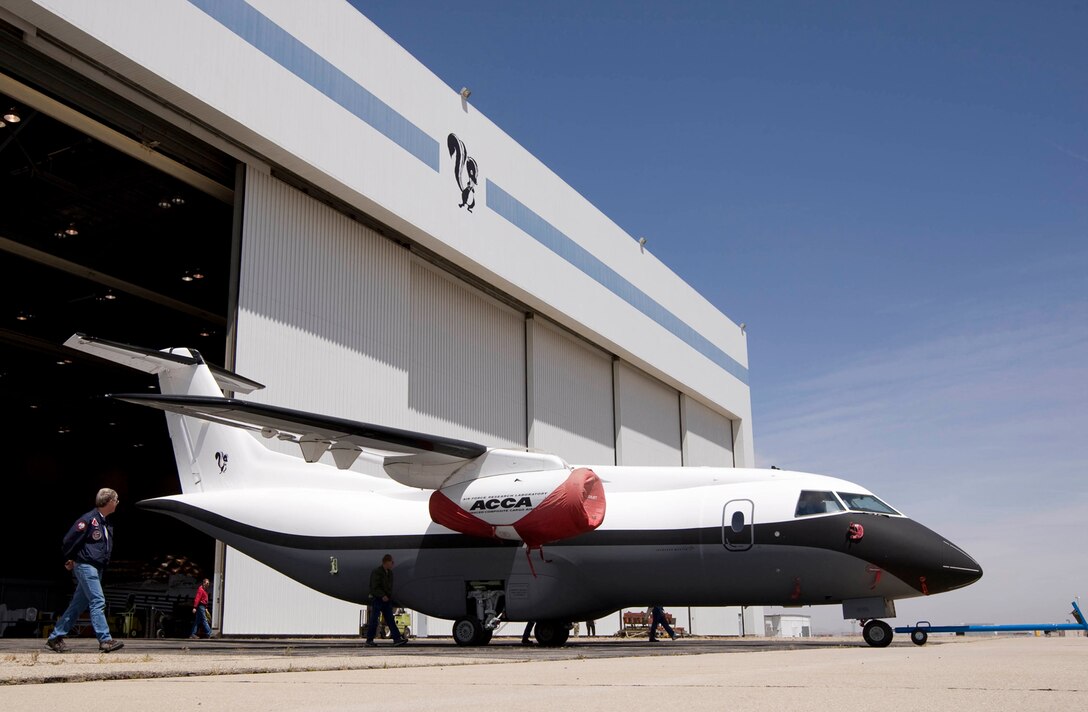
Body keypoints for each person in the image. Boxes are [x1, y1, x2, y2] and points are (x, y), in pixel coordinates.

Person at [46, 488, 124, 653]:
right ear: (109, 501)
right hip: (86, 566)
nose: (117, 503)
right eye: (116, 500)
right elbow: (69, 539)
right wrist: (71, 557)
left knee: (77, 605)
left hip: (96, 567)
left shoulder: (105, 522)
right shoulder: (88, 520)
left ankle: (55, 637)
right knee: (98, 600)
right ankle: (105, 639)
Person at [365, 554, 406, 647]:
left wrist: (388, 596)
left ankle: (397, 639)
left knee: (390, 619)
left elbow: (389, 587)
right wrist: (382, 595)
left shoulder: (390, 573)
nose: (393, 564)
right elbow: (374, 587)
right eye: (392, 562)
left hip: (386, 600)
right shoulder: (377, 572)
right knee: (374, 619)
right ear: (386, 562)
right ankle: (369, 640)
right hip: (378, 599)